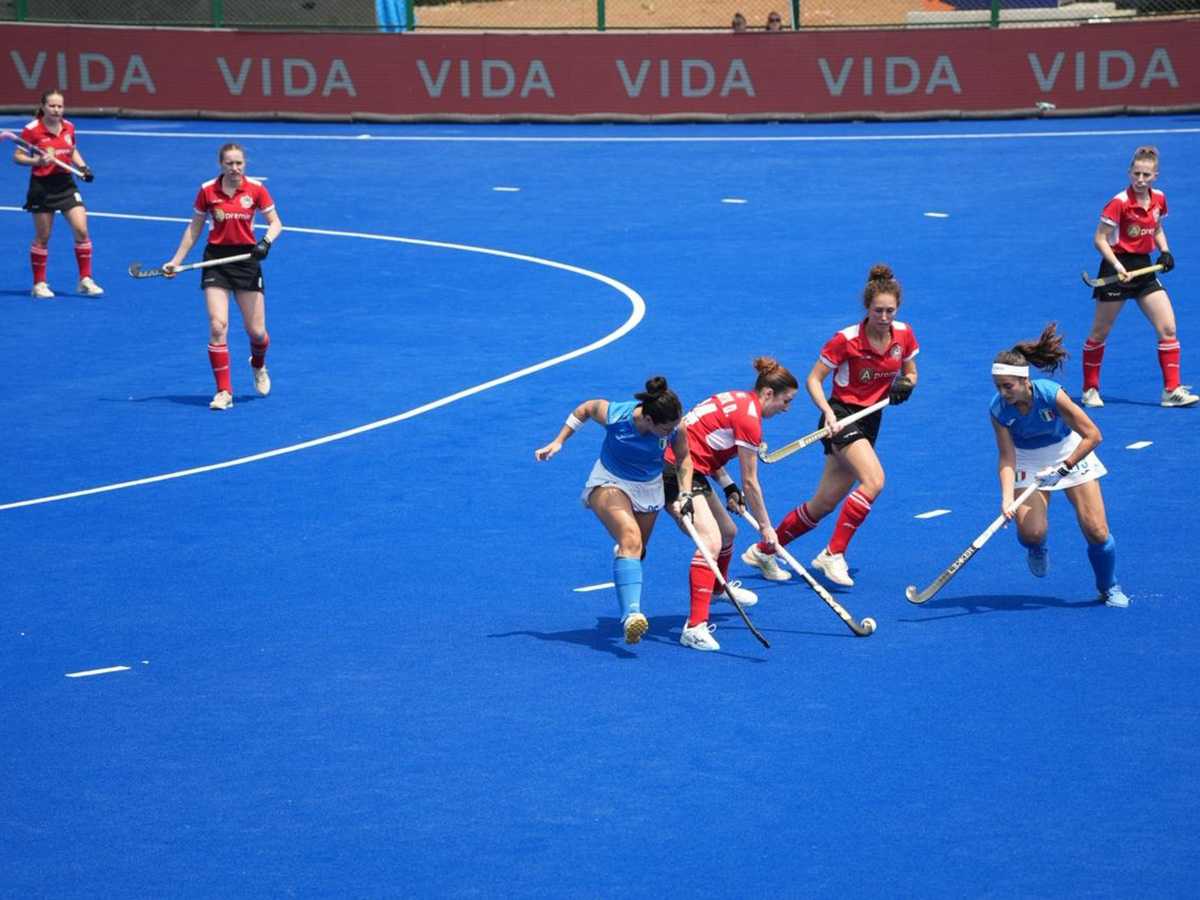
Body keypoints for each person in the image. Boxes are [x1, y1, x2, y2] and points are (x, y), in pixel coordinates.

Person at [742, 264, 918, 588]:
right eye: (877, 310)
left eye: (889, 311)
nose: (883, 316)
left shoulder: (904, 335)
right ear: (867, 308)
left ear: (898, 309)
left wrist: (906, 385)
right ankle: (833, 553)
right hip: (841, 416)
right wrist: (829, 413)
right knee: (874, 481)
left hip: (871, 419)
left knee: (823, 504)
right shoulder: (846, 339)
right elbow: (813, 379)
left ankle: (765, 550)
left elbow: (911, 372)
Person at [536, 376, 692, 645]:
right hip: (610, 480)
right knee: (630, 537)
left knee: (636, 550)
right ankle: (632, 615)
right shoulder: (616, 415)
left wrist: (685, 494)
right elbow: (584, 408)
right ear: (649, 421)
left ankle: (626, 556)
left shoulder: (676, 428)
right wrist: (559, 441)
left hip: (649, 486)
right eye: (666, 428)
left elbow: (684, 459)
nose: (672, 432)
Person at [662, 358, 798, 651]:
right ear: (768, 394)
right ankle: (694, 627)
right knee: (710, 541)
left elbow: (707, 444)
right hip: (674, 472)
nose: (786, 408)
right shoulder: (750, 421)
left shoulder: (738, 399)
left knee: (728, 532)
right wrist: (766, 528)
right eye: (786, 401)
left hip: (691, 467)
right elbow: (751, 481)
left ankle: (714, 587)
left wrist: (728, 487)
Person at [991, 324, 1128, 607]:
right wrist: (1007, 500)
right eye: (998, 386)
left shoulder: (1052, 395)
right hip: (1028, 458)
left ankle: (1108, 586)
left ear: (1024, 381)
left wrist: (1064, 467)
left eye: (1008, 386)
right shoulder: (999, 410)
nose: (1003, 393)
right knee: (1031, 533)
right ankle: (1037, 548)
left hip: (1070, 451)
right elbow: (1007, 457)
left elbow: (1093, 435)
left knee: (1097, 530)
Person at [163, 142, 281, 410]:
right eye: (229, 163)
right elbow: (194, 229)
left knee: (257, 332)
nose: (235, 168)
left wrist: (265, 243)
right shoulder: (207, 190)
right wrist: (176, 261)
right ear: (221, 165)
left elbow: (276, 223)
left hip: (247, 261)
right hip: (216, 260)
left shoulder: (256, 189)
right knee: (218, 326)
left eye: (239, 163)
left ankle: (258, 364)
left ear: (245, 164)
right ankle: (224, 392)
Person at [1081, 145, 1196, 409]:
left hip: (1143, 269)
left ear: (1156, 176)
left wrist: (1165, 251)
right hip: (1116, 268)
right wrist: (1117, 266)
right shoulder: (1119, 202)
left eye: (1146, 175)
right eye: (1137, 174)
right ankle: (1089, 389)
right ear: (1129, 172)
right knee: (1100, 332)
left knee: (1168, 327)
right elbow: (1099, 239)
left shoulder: (1159, 199)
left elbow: (1156, 229)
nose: (1141, 180)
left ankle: (1171, 391)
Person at [12, 88, 101, 299]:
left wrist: (83, 167)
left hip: (66, 185)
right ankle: (39, 284)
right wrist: (37, 161)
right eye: (51, 105)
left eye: (59, 106)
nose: (56, 109)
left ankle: (85, 279)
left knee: (81, 230)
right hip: (42, 186)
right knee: (43, 237)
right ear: (43, 107)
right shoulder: (32, 129)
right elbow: (18, 156)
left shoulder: (68, 127)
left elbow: (72, 150)